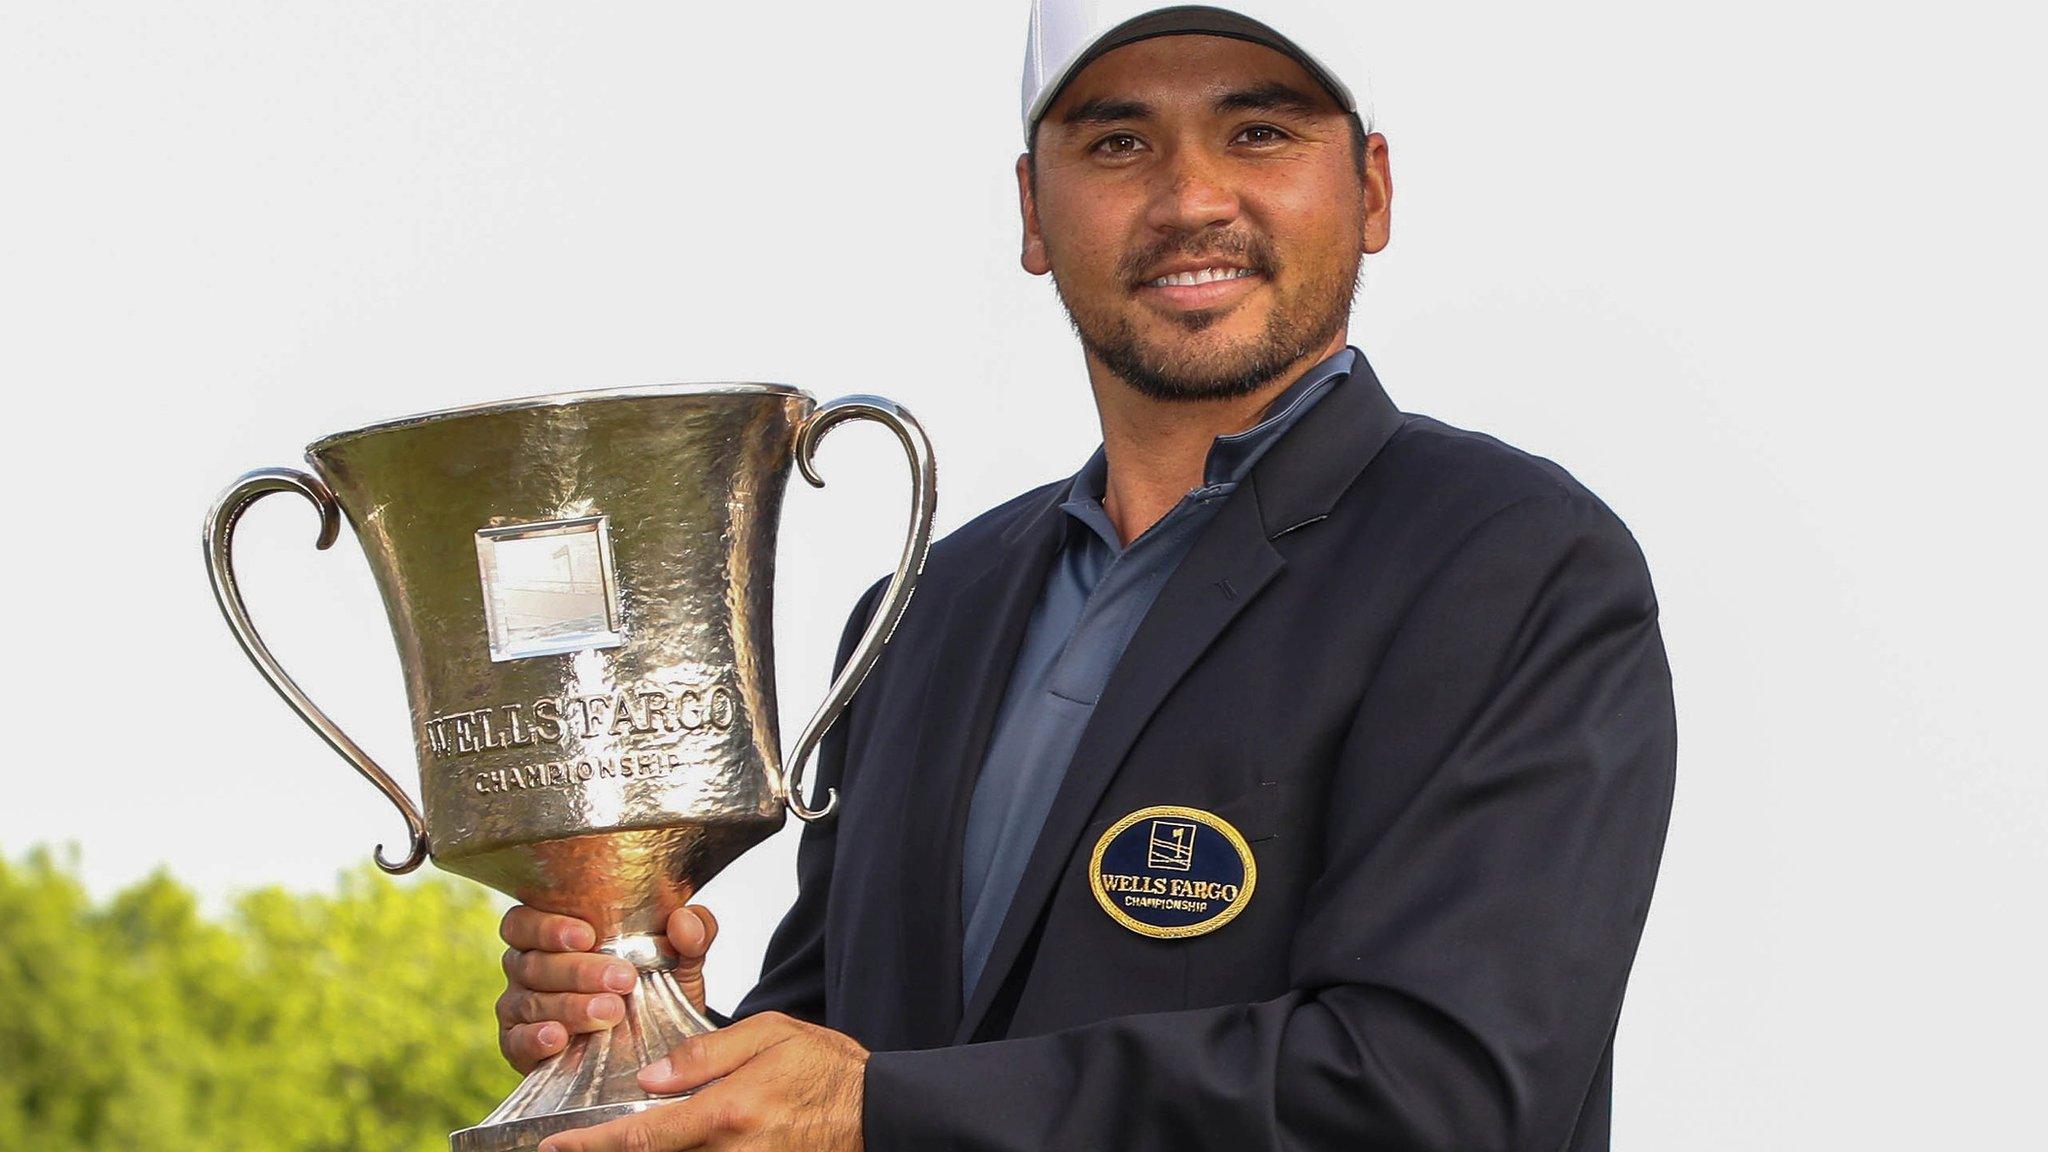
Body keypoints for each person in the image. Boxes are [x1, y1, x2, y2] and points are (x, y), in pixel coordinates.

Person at [498, 3, 1677, 1149]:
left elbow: (1441, 1093)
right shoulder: (923, 615)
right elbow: (840, 1071)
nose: (1190, 200)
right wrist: (659, 1040)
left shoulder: (1508, 560)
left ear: (1368, 190)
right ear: (1031, 209)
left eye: (1258, 132)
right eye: (1117, 142)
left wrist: (878, 1113)